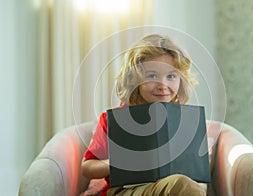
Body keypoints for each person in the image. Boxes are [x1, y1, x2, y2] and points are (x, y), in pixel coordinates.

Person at [81, 34, 207, 196]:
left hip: (170, 187)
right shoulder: (116, 119)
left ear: (181, 81)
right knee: (183, 185)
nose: (163, 85)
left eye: (171, 76)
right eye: (152, 76)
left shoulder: (185, 121)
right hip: (126, 190)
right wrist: (118, 163)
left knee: (189, 185)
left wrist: (199, 160)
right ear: (134, 80)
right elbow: (87, 167)